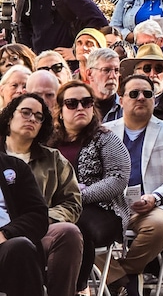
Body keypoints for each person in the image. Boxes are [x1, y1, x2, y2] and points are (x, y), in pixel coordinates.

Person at [103, 73, 163, 295]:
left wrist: (156, 197)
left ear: (154, 99)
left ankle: (118, 274)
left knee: (160, 226)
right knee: (76, 229)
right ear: (121, 99)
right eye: (133, 93)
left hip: (152, 206)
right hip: (111, 206)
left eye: (147, 94)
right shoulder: (104, 132)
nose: (141, 97)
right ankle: (124, 279)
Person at [49, 80, 131, 294]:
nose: (80, 108)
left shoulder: (105, 138)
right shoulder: (48, 142)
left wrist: (77, 197)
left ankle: (79, 289)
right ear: (59, 110)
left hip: (101, 209)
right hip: (56, 208)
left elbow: (118, 178)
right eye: (72, 103)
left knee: (76, 228)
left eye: (86, 102)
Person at [0, 93, 84, 296]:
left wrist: (45, 218)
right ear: (10, 116)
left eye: (38, 117)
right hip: (11, 233)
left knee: (68, 232)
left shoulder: (53, 159)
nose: (32, 119)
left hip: (39, 227)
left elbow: (72, 203)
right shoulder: (4, 160)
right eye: (26, 112)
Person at [0, 146, 49, 296]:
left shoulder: (14, 167)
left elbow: (37, 215)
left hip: (5, 246)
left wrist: (5, 234)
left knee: (20, 247)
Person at [119, 43, 163, 125]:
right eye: (147, 68)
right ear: (135, 73)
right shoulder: (122, 105)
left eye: (158, 69)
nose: (152, 74)